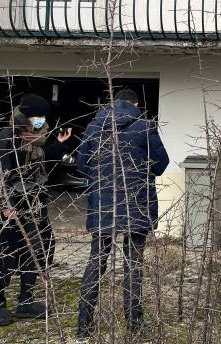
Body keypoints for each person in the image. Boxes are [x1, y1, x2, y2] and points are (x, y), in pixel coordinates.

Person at [75, 88, 169, 338]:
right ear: (136, 104)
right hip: (136, 205)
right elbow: (161, 165)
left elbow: (81, 164)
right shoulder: (145, 127)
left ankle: (83, 326)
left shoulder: (95, 127)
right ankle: (134, 326)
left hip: (102, 207)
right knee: (133, 266)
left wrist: (101, 178)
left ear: (113, 102)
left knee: (96, 262)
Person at [0, 93, 73, 327]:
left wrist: (60, 145)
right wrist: (5, 203)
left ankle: (26, 301)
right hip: (7, 207)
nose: (41, 120)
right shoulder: (8, 135)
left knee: (35, 250)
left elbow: (46, 164)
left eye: (44, 117)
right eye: (38, 116)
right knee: (1, 254)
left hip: (33, 203)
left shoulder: (39, 136)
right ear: (27, 116)